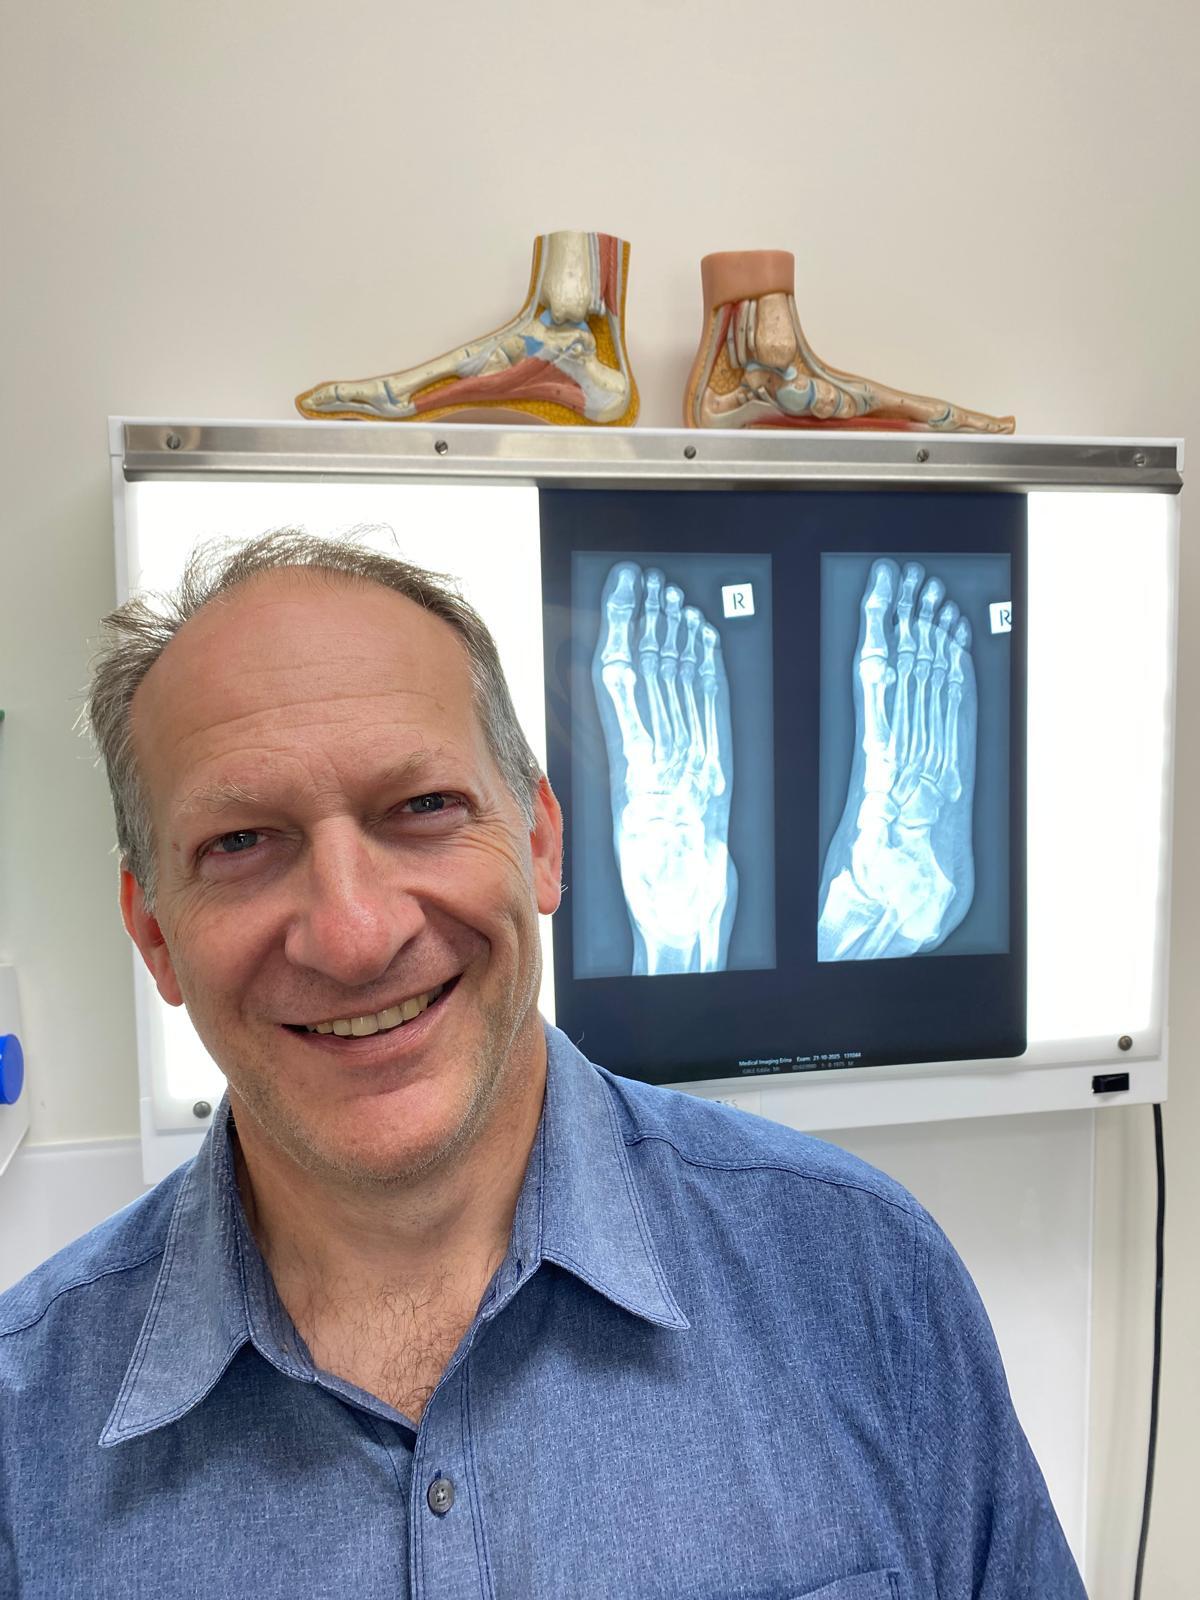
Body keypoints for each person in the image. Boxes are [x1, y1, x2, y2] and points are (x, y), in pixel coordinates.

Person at [0, 531, 1086, 1598]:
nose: (355, 935)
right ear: (155, 934)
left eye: (423, 808)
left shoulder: (863, 1278)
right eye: (240, 843)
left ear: (542, 844)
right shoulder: (22, 1432)